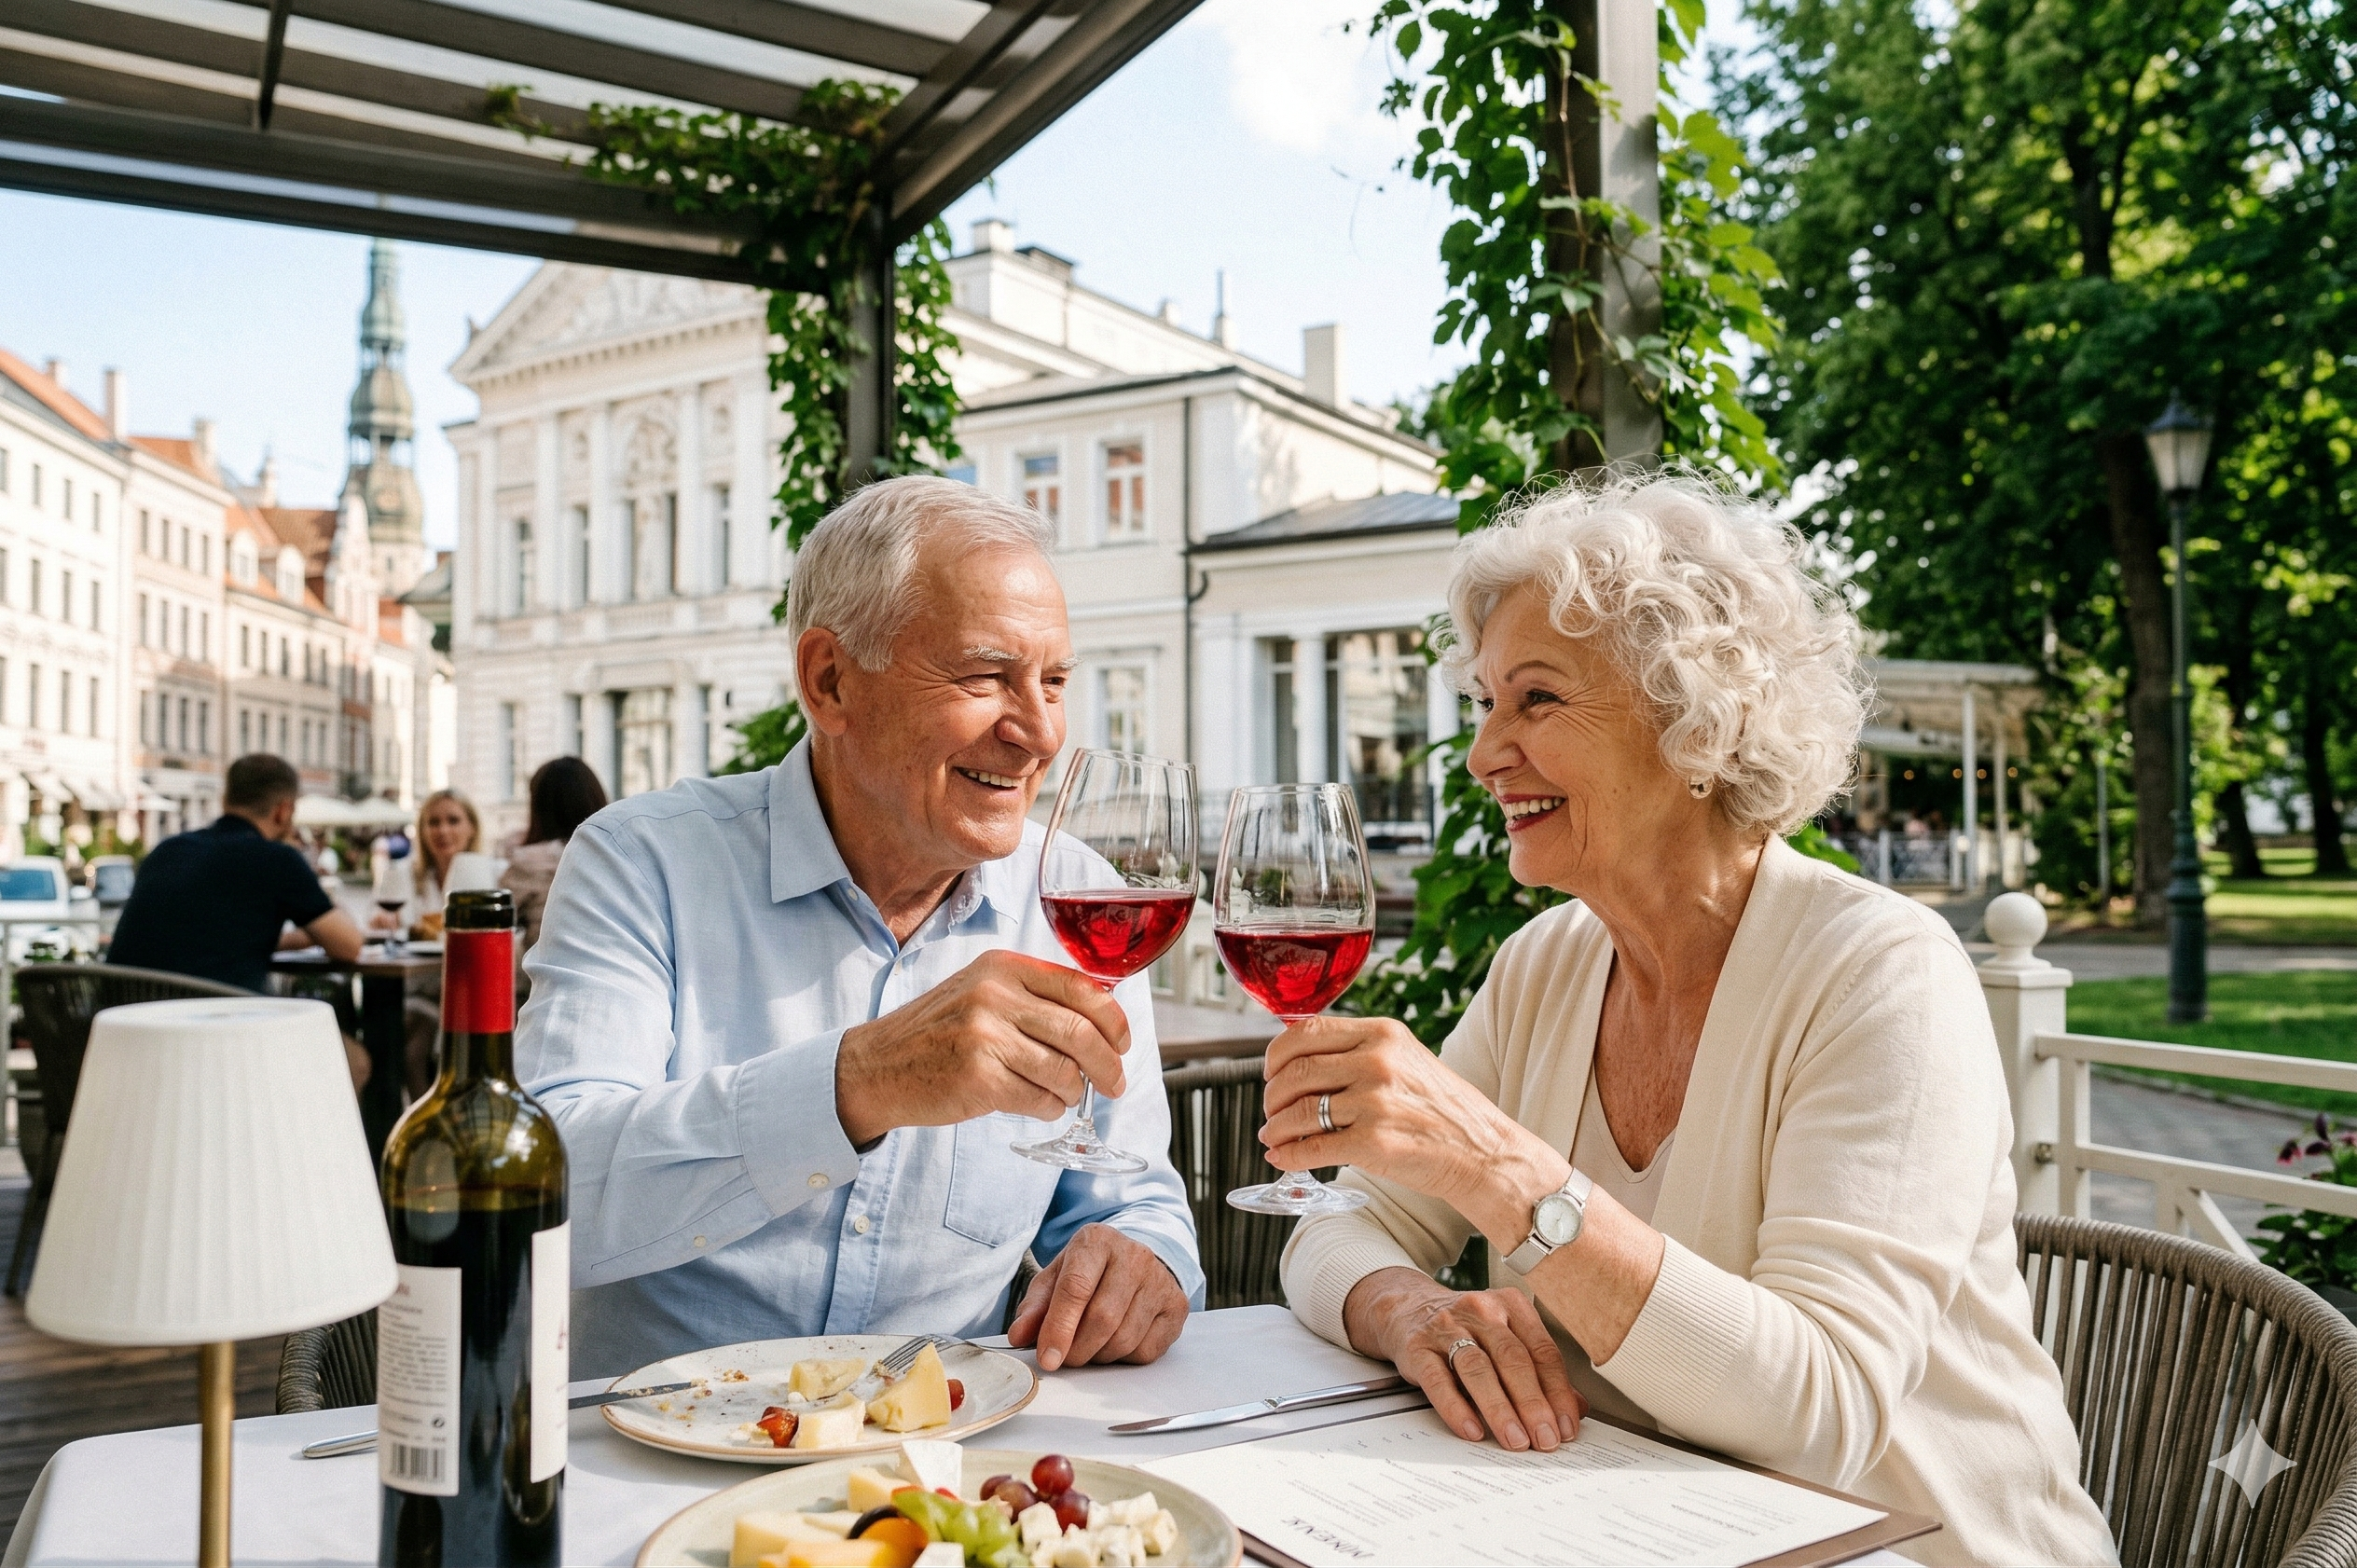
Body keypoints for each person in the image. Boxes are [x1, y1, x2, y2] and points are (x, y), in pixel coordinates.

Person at [1267, 475, 2114, 1567]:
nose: (1481, 755)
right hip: (1628, 1534)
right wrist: (1406, 1308)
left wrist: (1500, 1171)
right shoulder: (1544, 967)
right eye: (1483, 703)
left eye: (1534, 700)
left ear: (1692, 716)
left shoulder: (1878, 972)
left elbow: (1819, 1407)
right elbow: (1335, 1227)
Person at [518, 475, 1204, 1379]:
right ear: (829, 679)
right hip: (652, 1456)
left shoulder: (1079, 896)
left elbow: (1129, 1195)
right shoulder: (641, 864)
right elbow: (545, 1182)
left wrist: (1140, 1258)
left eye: (1053, 681)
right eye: (984, 674)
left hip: (946, 1462)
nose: (1038, 732)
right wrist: (856, 1082)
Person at [107, 753, 370, 1088]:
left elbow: (218, 935)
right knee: (353, 1061)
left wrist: (301, 934)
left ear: (225, 799)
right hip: (220, 1041)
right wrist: (319, 891)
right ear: (284, 811)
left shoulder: (167, 851)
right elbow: (349, 946)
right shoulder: (276, 860)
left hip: (134, 1039)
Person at [501, 757, 609, 956]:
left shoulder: (528, 865)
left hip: (548, 979)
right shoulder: (616, 858)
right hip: (617, 975)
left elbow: (492, 924)